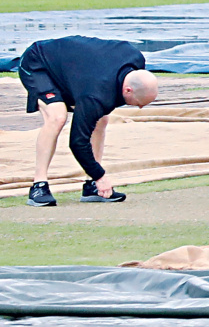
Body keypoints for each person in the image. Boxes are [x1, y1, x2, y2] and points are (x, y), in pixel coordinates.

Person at [18, 35, 158, 206]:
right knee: (57, 116)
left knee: (101, 119)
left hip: (73, 69)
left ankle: (91, 185)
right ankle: (39, 185)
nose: (140, 108)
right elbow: (78, 142)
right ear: (128, 90)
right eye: (138, 103)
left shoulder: (135, 60)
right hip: (38, 62)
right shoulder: (95, 94)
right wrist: (101, 176)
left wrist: (95, 175)